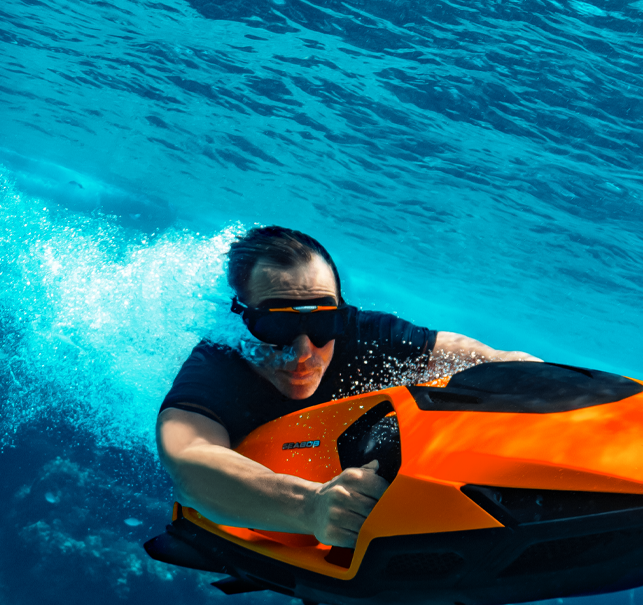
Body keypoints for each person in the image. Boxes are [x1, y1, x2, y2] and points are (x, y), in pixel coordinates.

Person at [156, 226, 538, 548]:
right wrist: (310, 507)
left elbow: (493, 360)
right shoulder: (217, 365)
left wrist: (551, 382)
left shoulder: (364, 334)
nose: (303, 352)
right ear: (240, 319)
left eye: (324, 323)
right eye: (276, 326)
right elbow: (189, 463)